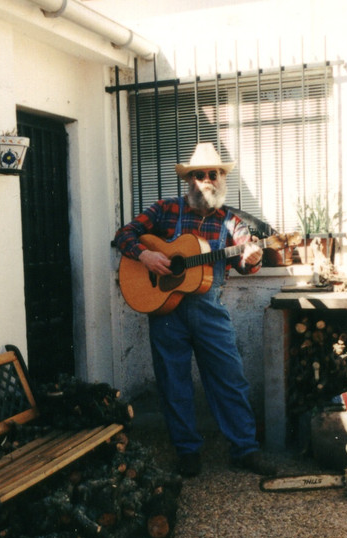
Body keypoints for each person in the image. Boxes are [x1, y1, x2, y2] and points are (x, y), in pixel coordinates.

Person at [114, 143, 276, 478]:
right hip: (165, 310)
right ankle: (187, 452)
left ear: (221, 179)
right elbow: (124, 234)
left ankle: (244, 450)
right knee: (173, 383)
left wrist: (253, 259)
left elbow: (246, 266)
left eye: (212, 174)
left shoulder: (232, 222)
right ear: (189, 179)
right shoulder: (165, 209)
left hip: (209, 311)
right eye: (198, 174)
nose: (206, 180)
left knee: (229, 379)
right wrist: (145, 256)